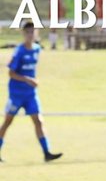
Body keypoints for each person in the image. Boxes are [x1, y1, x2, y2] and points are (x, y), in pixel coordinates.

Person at [0, 22, 63, 164]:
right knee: (8, 122)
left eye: (33, 32)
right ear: (24, 34)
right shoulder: (19, 51)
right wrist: (27, 79)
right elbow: (11, 73)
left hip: (30, 94)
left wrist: (34, 80)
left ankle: (47, 153)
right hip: (16, 94)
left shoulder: (36, 49)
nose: (31, 34)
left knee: (38, 121)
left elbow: (31, 69)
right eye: (28, 32)